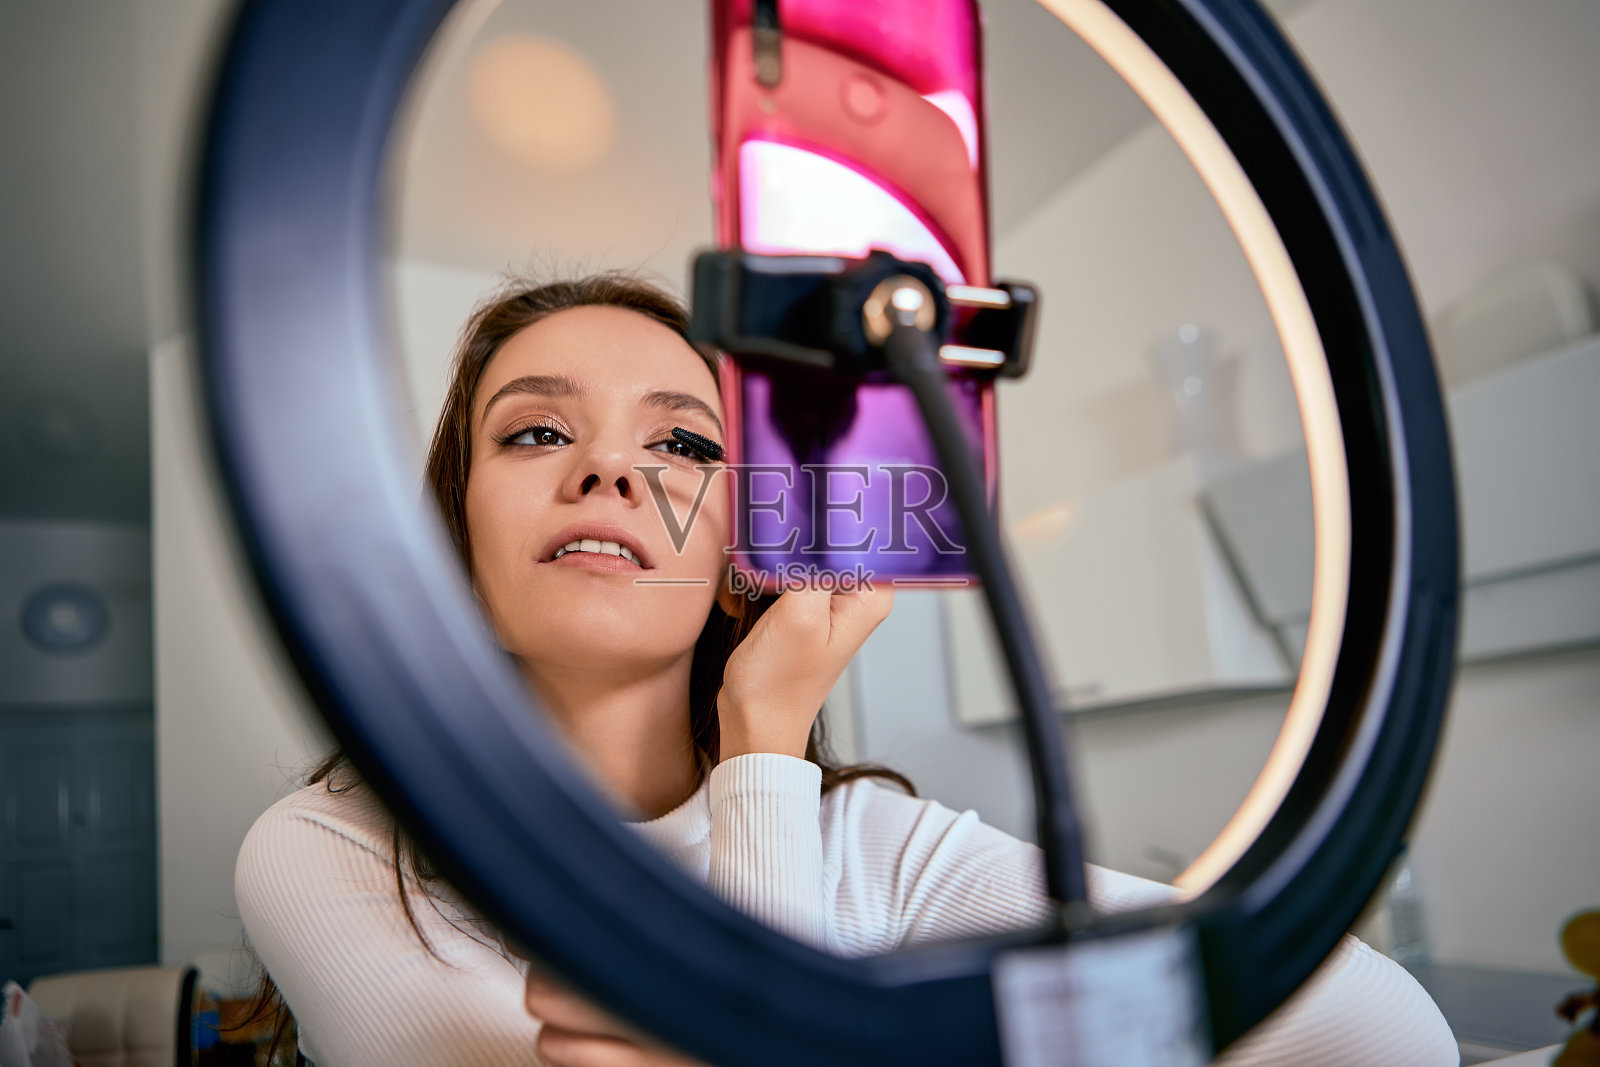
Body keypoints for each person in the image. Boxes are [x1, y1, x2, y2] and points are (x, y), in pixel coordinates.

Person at [234, 273, 1459, 1067]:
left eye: (680, 442)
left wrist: (765, 747)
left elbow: (1378, 1031)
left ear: (736, 563)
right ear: (457, 545)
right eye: (538, 430)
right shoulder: (329, 849)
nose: (609, 471)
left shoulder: (878, 847)